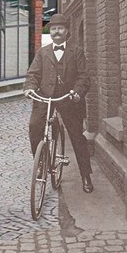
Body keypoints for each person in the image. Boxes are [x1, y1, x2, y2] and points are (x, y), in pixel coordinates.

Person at [23, 13, 93, 193]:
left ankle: (86, 176)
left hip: (68, 98)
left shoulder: (76, 51)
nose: (56, 32)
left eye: (60, 28)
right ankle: (41, 162)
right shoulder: (43, 52)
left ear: (67, 31)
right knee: (34, 126)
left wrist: (77, 92)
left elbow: (84, 76)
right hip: (45, 97)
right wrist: (30, 88)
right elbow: (33, 74)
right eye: (53, 29)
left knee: (77, 136)